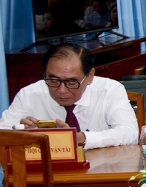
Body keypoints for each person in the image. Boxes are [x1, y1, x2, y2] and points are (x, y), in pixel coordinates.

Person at [0, 44, 137, 149]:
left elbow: (130, 133)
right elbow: (2, 134)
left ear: (89, 76)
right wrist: (22, 135)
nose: (62, 90)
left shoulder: (110, 90)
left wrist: (82, 138)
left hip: (101, 168)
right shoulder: (29, 95)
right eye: (53, 81)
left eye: (71, 82)